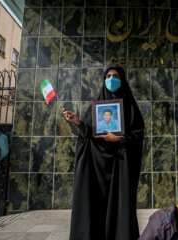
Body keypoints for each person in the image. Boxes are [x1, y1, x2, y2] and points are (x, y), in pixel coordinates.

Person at [62, 66, 145, 240]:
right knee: (95, 205)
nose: (111, 79)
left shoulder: (129, 107)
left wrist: (120, 140)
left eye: (116, 76)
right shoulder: (96, 105)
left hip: (120, 166)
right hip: (96, 167)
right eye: (108, 76)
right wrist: (78, 122)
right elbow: (88, 134)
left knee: (120, 205)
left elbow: (137, 135)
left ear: (122, 80)